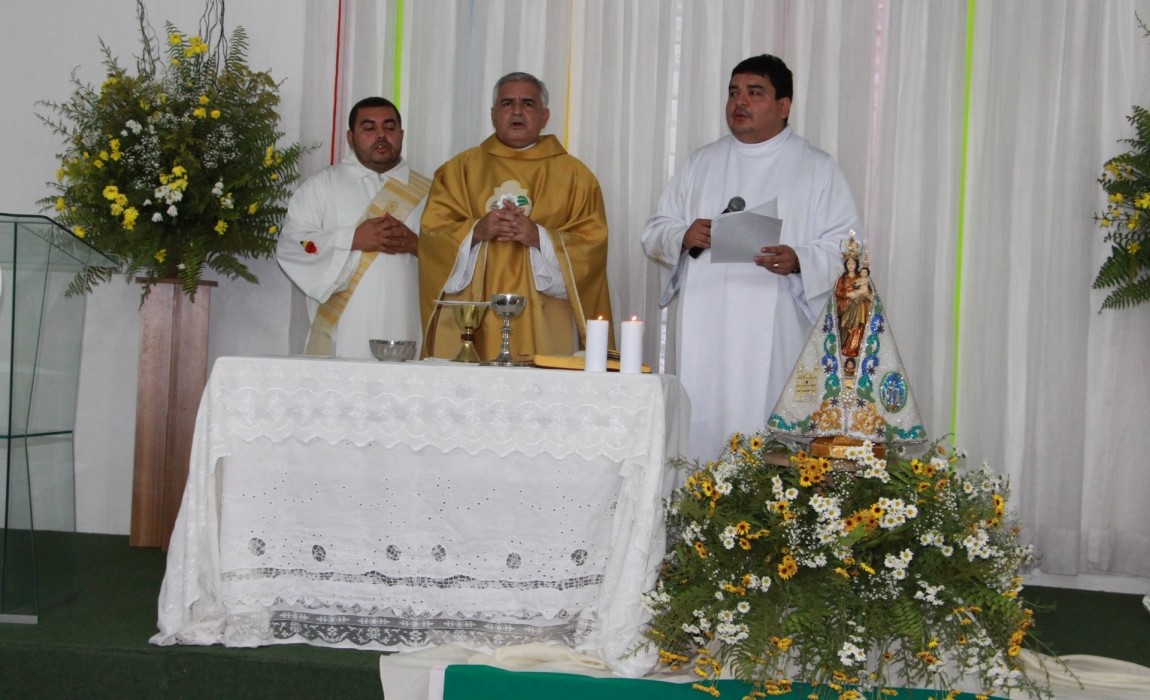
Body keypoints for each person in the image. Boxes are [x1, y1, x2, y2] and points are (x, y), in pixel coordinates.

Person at [642, 54, 860, 462]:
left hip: (777, 328)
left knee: (766, 434)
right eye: (733, 92)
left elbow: (848, 250)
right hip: (706, 325)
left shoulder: (816, 168)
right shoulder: (701, 162)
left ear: (783, 106)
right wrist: (683, 235)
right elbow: (655, 230)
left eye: (754, 93)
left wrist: (798, 259)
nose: (739, 102)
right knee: (700, 427)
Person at [418, 72, 613, 361]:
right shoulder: (460, 170)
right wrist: (476, 231)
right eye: (508, 103)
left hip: (546, 317)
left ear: (545, 116)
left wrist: (540, 238)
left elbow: (592, 245)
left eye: (528, 103)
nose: (518, 111)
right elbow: (433, 234)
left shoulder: (575, 176)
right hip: (474, 317)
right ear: (493, 114)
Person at [277, 97, 430, 358]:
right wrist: (351, 239)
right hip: (344, 333)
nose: (381, 135)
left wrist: (419, 247)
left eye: (389, 127)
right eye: (369, 128)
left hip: (409, 328)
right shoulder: (323, 186)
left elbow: (456, 257)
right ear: (350, 137)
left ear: (401, 134)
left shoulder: (430, 193)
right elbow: (297, 244)